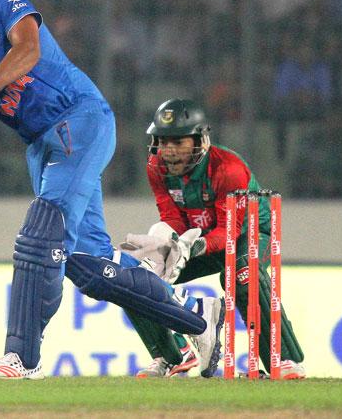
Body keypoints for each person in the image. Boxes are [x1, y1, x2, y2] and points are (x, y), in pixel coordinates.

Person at [0, 0, 225, 379]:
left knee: (42, 234)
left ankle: (21, 357)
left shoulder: (6, 7)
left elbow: (28, 50)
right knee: (87, 265)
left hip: (80, 119)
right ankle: (196, 315)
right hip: (42, 146)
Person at [121, 98, 306, 379]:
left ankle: (285, 361)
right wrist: (165, 242)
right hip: (194, 240)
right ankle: (171, 356)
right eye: (163, 141)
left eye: (178, 142)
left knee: (243, 274)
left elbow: (229, 232)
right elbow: (171, 215)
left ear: (200, 140)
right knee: (132, 277)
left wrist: (193, 246)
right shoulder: (155, 166)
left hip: (251, 233)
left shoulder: (227, 169)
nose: (168, 151)